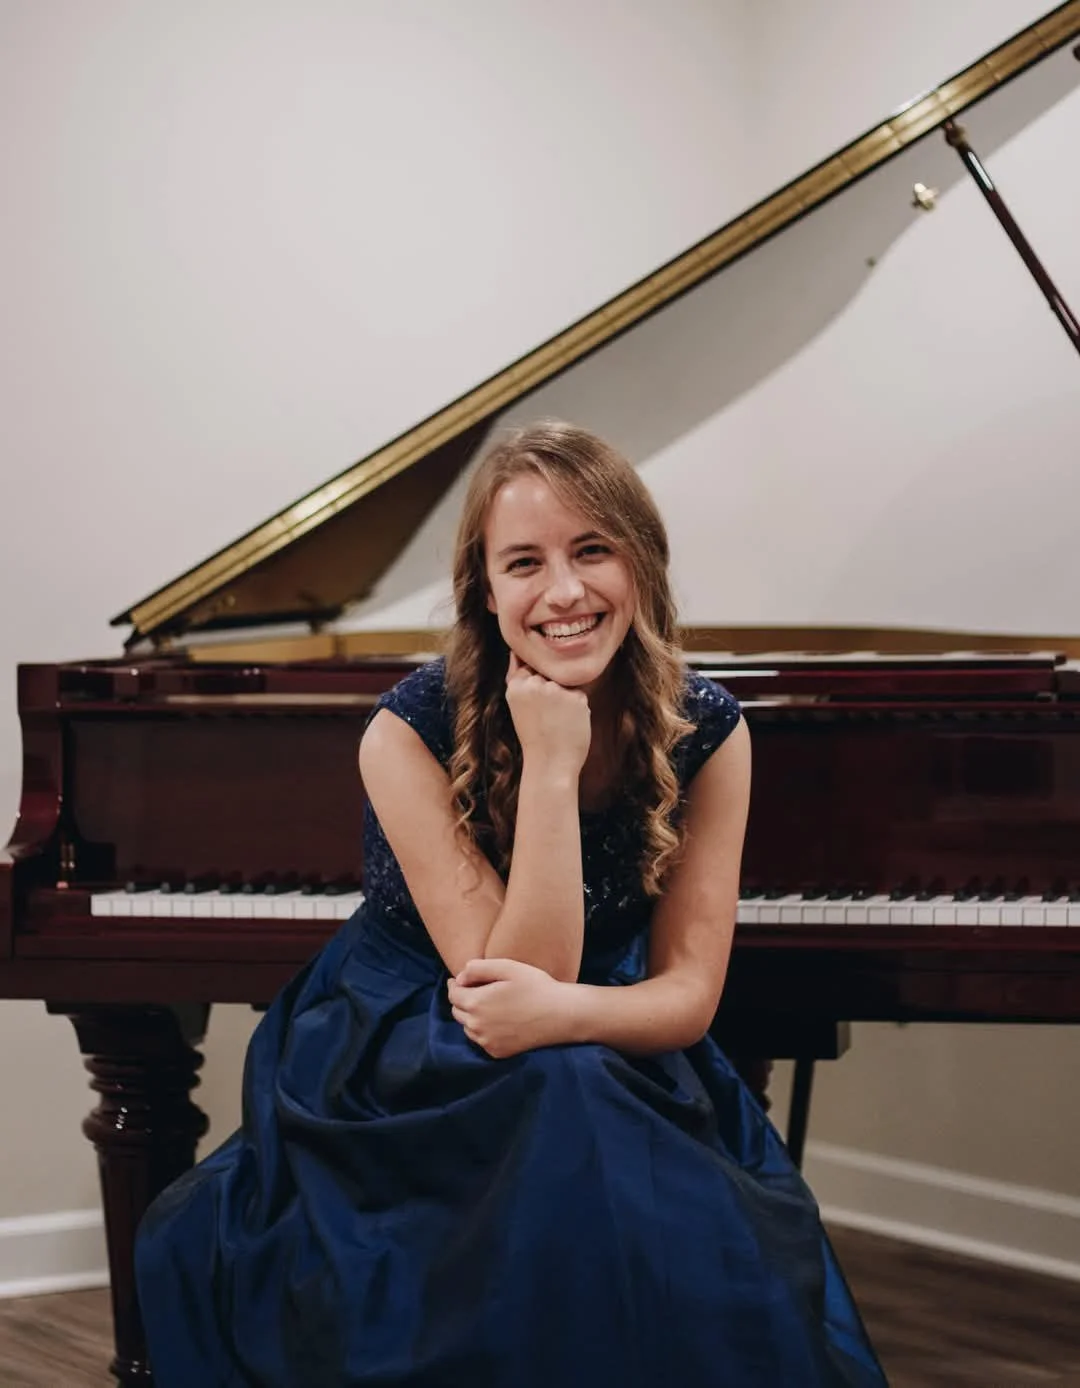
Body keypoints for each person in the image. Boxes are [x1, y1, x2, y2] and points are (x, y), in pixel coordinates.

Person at [135, 421, 886, 1387]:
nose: (564, 592)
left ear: (642, 563)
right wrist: (552, 765)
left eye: (593, 550)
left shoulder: (709, 730)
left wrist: (572, 1013)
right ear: (485, 594)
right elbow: (507, 986)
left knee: (584, 1098)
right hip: (408, 1035)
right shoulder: (404, 733)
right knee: (565, 1094)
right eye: (524, 562)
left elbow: (687, 997)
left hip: (594, 1020)